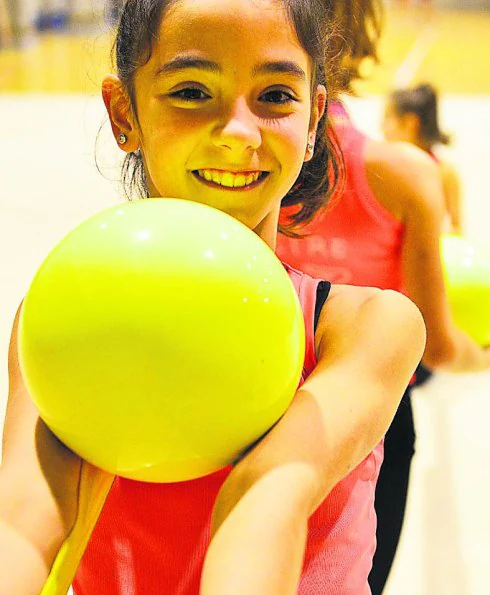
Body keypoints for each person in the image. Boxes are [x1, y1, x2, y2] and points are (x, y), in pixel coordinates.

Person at [0, 1, 427, 594]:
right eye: (192, 91)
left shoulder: (367, 327)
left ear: (313, 123)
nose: (238, 133)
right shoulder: (63, 317)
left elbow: (266, 501)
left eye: (275, 95)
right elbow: (24, 520)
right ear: (124, 112)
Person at [276, 1, 490, 593]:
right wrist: (484, 353)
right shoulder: (405, 175)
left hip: (257, 406)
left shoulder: (249, 165)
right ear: (362, 39)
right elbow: (440, 349)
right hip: (372, 424)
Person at [382, 83, 463, 234]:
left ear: (410, 123)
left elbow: (456, 228)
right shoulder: (384, 170)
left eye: (387, 118)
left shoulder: (445, 173)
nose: (381, 126)